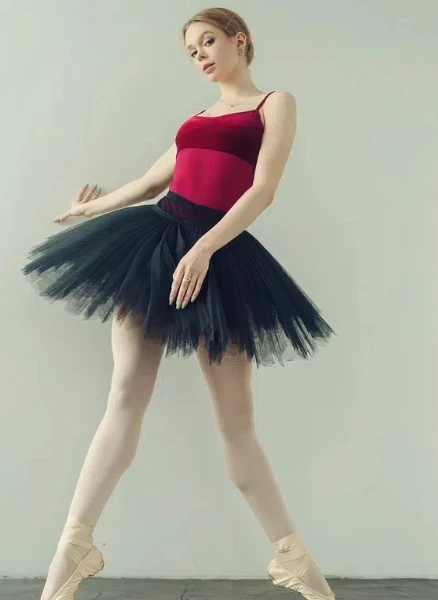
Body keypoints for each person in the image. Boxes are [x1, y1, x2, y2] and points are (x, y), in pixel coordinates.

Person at [23, 8, 337, 600]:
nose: (201, 56)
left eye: (209, 42)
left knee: (237, 426)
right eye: (192, 51)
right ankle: (71, 551)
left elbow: (263, 189)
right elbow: (149, 184)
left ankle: (296, 562)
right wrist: (90, 209)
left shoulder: (274, 103)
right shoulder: (195, 118)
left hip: (220, 260)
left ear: (239, 41)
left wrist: (207, 251)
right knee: (122, 398)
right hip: (156, 246)